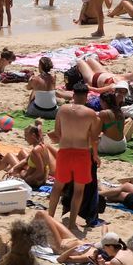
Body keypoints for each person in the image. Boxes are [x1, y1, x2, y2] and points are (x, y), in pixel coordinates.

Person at [48, 82, 99, 230]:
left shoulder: (62, 110)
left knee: (57, 187)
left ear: (73, 94)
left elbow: (57, 133)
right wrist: (95, 155)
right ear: (86, 96)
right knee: (78, 190)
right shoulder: (90, 114)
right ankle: (71, 223)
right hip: (82, 153)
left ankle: (50, 217)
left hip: (64, 151)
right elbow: (94, 138)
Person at [33, 210, 99, 264]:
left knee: (41, 214)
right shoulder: (100, 249)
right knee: (46, 216)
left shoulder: (90, 256)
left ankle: (27, 234)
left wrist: (74, 248)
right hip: (71, 239)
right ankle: (31, 234)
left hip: (61, 247)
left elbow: (60, 259)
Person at [4, 122, 56, 189]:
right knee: (17, 168)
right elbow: (26, 159)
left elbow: (40, 171)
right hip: (41, 180)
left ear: (33, 135)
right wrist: (14, 168)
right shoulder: (42, 145)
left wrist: (26, 180)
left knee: (9, 156)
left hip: (35, 182)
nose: (25, 139)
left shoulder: (35, 150)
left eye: (26, 136)